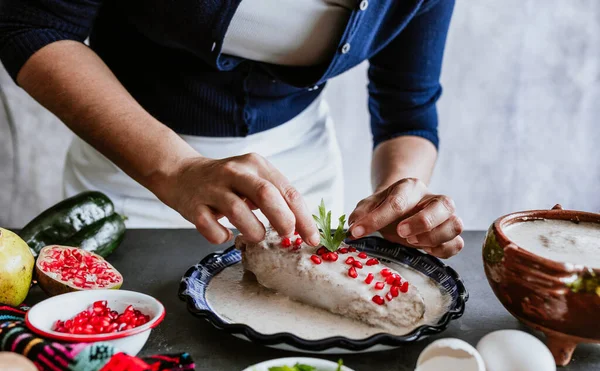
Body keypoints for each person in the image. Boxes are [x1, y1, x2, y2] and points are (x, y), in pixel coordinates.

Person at [0, 0, 464, 258]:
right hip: (135, 167)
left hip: (306, 176)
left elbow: (408, 108)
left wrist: (401, 196)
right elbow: (30, 21)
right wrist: (176, 167)